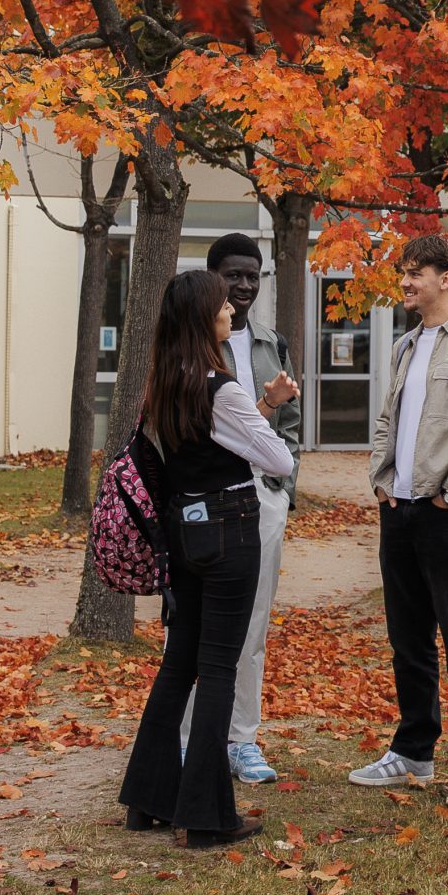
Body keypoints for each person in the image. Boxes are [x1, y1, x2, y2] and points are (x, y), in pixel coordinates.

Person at [119, 268, 300, 848]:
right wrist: (262, 411)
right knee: (219, 668)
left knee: (179, 665)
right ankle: (204, 814)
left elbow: (195, 445)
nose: (231, 312)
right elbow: (278, 461)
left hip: (184, 532)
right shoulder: (219, 388)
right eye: (223, 305)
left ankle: (149, 798)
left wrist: (254, 412)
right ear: (204, 318)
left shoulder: (163, 382)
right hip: (228, 531)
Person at [352, 234, 448, 802]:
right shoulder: (406, 345)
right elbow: (388, 418)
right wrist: (381, 478)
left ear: (447, 277)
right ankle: (414, 752)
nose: (407, 282)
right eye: (404, 272)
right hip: (400, 511)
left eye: (417, 272)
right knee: (407, 640)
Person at [183, 231, 300, 786]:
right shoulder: (193, 347)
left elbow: (286, 429)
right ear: (214, 280)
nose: (245, 285)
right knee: (193, 624)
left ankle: (241, 740)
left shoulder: (271, 342)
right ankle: (187, 741)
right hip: (204, 502)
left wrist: (284, 491)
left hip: (262, 497)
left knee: (253, 624)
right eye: (234, 275)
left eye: (253, 275)